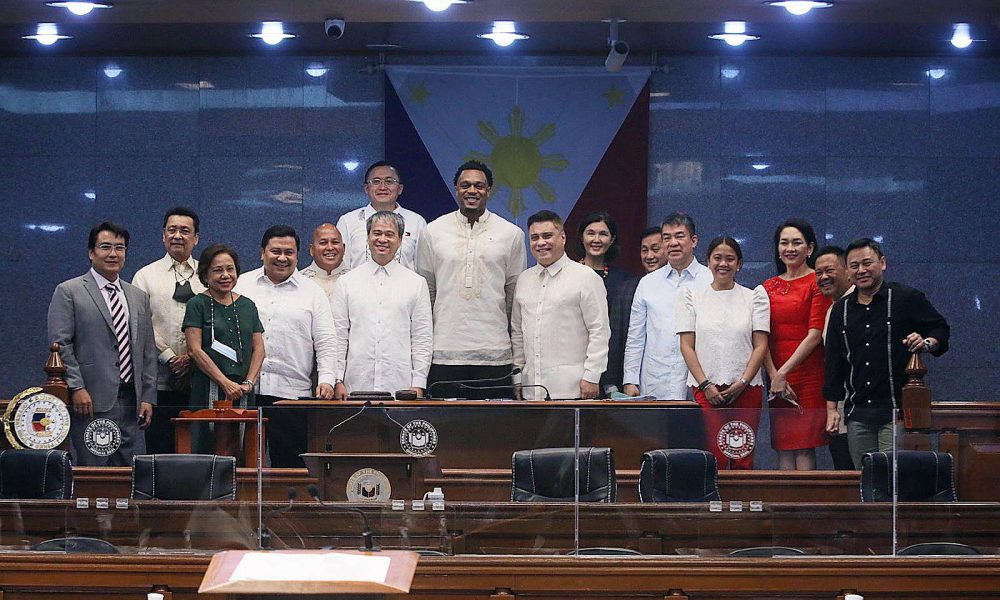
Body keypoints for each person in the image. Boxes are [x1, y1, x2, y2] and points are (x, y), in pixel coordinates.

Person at [824, 238, 950, 469]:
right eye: (854, 266)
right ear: (847, 272)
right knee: (865, 478)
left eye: (867, 263)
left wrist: (926, 343)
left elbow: (940, 329)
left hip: (897, 412)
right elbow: (834, 362)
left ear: (882, 263)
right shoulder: (840, 310)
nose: (861, 270)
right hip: (858, 414)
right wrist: (832, 409)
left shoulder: (905, 298)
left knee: (893, 478)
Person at [47, 222, 157, 466]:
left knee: (124, 472)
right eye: (105, 247)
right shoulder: (69, 291)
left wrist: (148, 396)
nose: (113, 254)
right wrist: (76, 387)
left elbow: (147, 351)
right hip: (90, 399)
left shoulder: (138, 297)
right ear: (91, 252)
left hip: (130, 400)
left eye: (120, 247)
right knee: (93, 471)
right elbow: (60, 345)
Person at [416, 160, 526, 399]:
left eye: (479, 185)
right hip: (445, 351)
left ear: (489, 190)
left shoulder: (511, 234)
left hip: (495, 352)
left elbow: (513, 293)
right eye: (465, 185)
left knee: (493, 428)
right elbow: (427, 290)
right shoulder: (432, 232)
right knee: (444, 429)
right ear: (456, 189)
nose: (472, 191)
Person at [233, 225, 337, 467]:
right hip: (246, 393)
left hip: (292, 396)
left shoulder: (313, 293)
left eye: (289, 252)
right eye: (275, 251)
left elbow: (326, 341)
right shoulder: (241, 285)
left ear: (298, 255)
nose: (282, 258)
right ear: (262, 252)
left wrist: (327, 380)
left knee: (290, 471)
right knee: (242, 467)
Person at [677, 236, 769, 470]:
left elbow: (760, 345)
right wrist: (706, 384)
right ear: (708, 262)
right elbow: (687, 346)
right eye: (717, 258)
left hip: (746, 389)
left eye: (730, 259)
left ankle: (742, 505)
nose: (723, 264)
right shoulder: (691, 296)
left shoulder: (754, 297)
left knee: (742, 455)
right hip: (705, 389)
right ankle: (714, 505)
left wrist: (743, 382)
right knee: (714, 454)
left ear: (739, 264)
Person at [331, 212, 433, 398]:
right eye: (376, 233)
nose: (382, 239)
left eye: (389, 234)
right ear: (368, 238)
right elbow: (339, 336)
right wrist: (337, 380)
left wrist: (418, 383)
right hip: (354, 385)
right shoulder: (346, 282)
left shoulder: (416, 283)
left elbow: (422, 338)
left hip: (401, 387)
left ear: (400, 240)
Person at [512, 210, 610, 400]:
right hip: (531, 388)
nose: (541, 243)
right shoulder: (524, 280)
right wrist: (517, 377)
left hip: (574, 389)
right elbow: (517, 332)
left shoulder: (585, 277)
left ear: (563, 238)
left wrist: (592, 376)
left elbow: (599, 330)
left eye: (547, 236)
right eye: (535, 237)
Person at [131, 206, 206, 454]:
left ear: (196, 238)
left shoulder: (207, 276)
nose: (177, 236)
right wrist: (170, 358)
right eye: (172, 230)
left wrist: (193, 358)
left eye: (185, 231)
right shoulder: (145, 276)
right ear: (163, 235)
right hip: (159, 381)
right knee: (159, 450)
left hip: (200, 380)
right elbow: (140, 325)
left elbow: (216, 322)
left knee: (198, 450)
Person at [762, 219, 832, 471]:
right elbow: (760, 337)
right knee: (783, 445)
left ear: (810, 248)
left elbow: (815, 334)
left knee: (803, 446)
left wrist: (783, 373)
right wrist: (774, 375)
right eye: (784, 243)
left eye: (796, 242)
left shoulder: (817, 282)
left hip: (808, 374)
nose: (789, 248)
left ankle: (806, 508)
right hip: (775, 375)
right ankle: (785, 508)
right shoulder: (767, 287)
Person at [623, 213, 712, 399]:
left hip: (699, 382)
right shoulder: (647, 283)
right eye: (667, 238)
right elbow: (635, 337)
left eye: (679, 236)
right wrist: (630, 380)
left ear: (694, 241)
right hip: (655, 380)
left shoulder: (710, 280)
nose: (673, 243)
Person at [183, 244, 264, 411]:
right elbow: (194, 350)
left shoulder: (248, 305)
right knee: (207, 435)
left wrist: (249, 382)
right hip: (207, 388)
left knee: (243, 436)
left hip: (243, 390)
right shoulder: (196, 304)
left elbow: (259, 349)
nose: (226, 275)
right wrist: (225, 383)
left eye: (230, 269)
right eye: (218, 270)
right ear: (205, 275)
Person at [602, 226, 668, 395]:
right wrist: (611, 383)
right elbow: (615, 339)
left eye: (655, 249)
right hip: (635, 384)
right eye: (644, 250)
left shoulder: (685, 288)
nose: (649, 256)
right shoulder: (626, 289)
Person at [336, 161, 426, 271]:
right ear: (366, 188)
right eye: (376, 181)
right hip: (358, 287)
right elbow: (340, 267)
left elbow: (422, 269)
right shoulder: (348, 221)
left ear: (400, 189)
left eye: (389, 181)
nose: (382, 187)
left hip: (404, 287)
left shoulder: (417, 222)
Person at [814, 245, 855, 470]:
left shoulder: (858, 304)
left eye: (830, 270)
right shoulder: (833, 308)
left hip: (859, 413)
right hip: (839, 410)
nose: (823, 277)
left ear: (847, 270)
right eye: (818, 273)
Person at [574, 211, 630, 299]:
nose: (596, 240)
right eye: (591, 234)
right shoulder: (569, 274)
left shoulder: (622, 279)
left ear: (612, 240)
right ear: (582, 237)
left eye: (603, 234)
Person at [300, 222, 350, 304]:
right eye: (323, 243)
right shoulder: (299, 281)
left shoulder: (356, 281)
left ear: (344, 248)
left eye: (335, 242)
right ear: (312, 250)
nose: (330, 247)